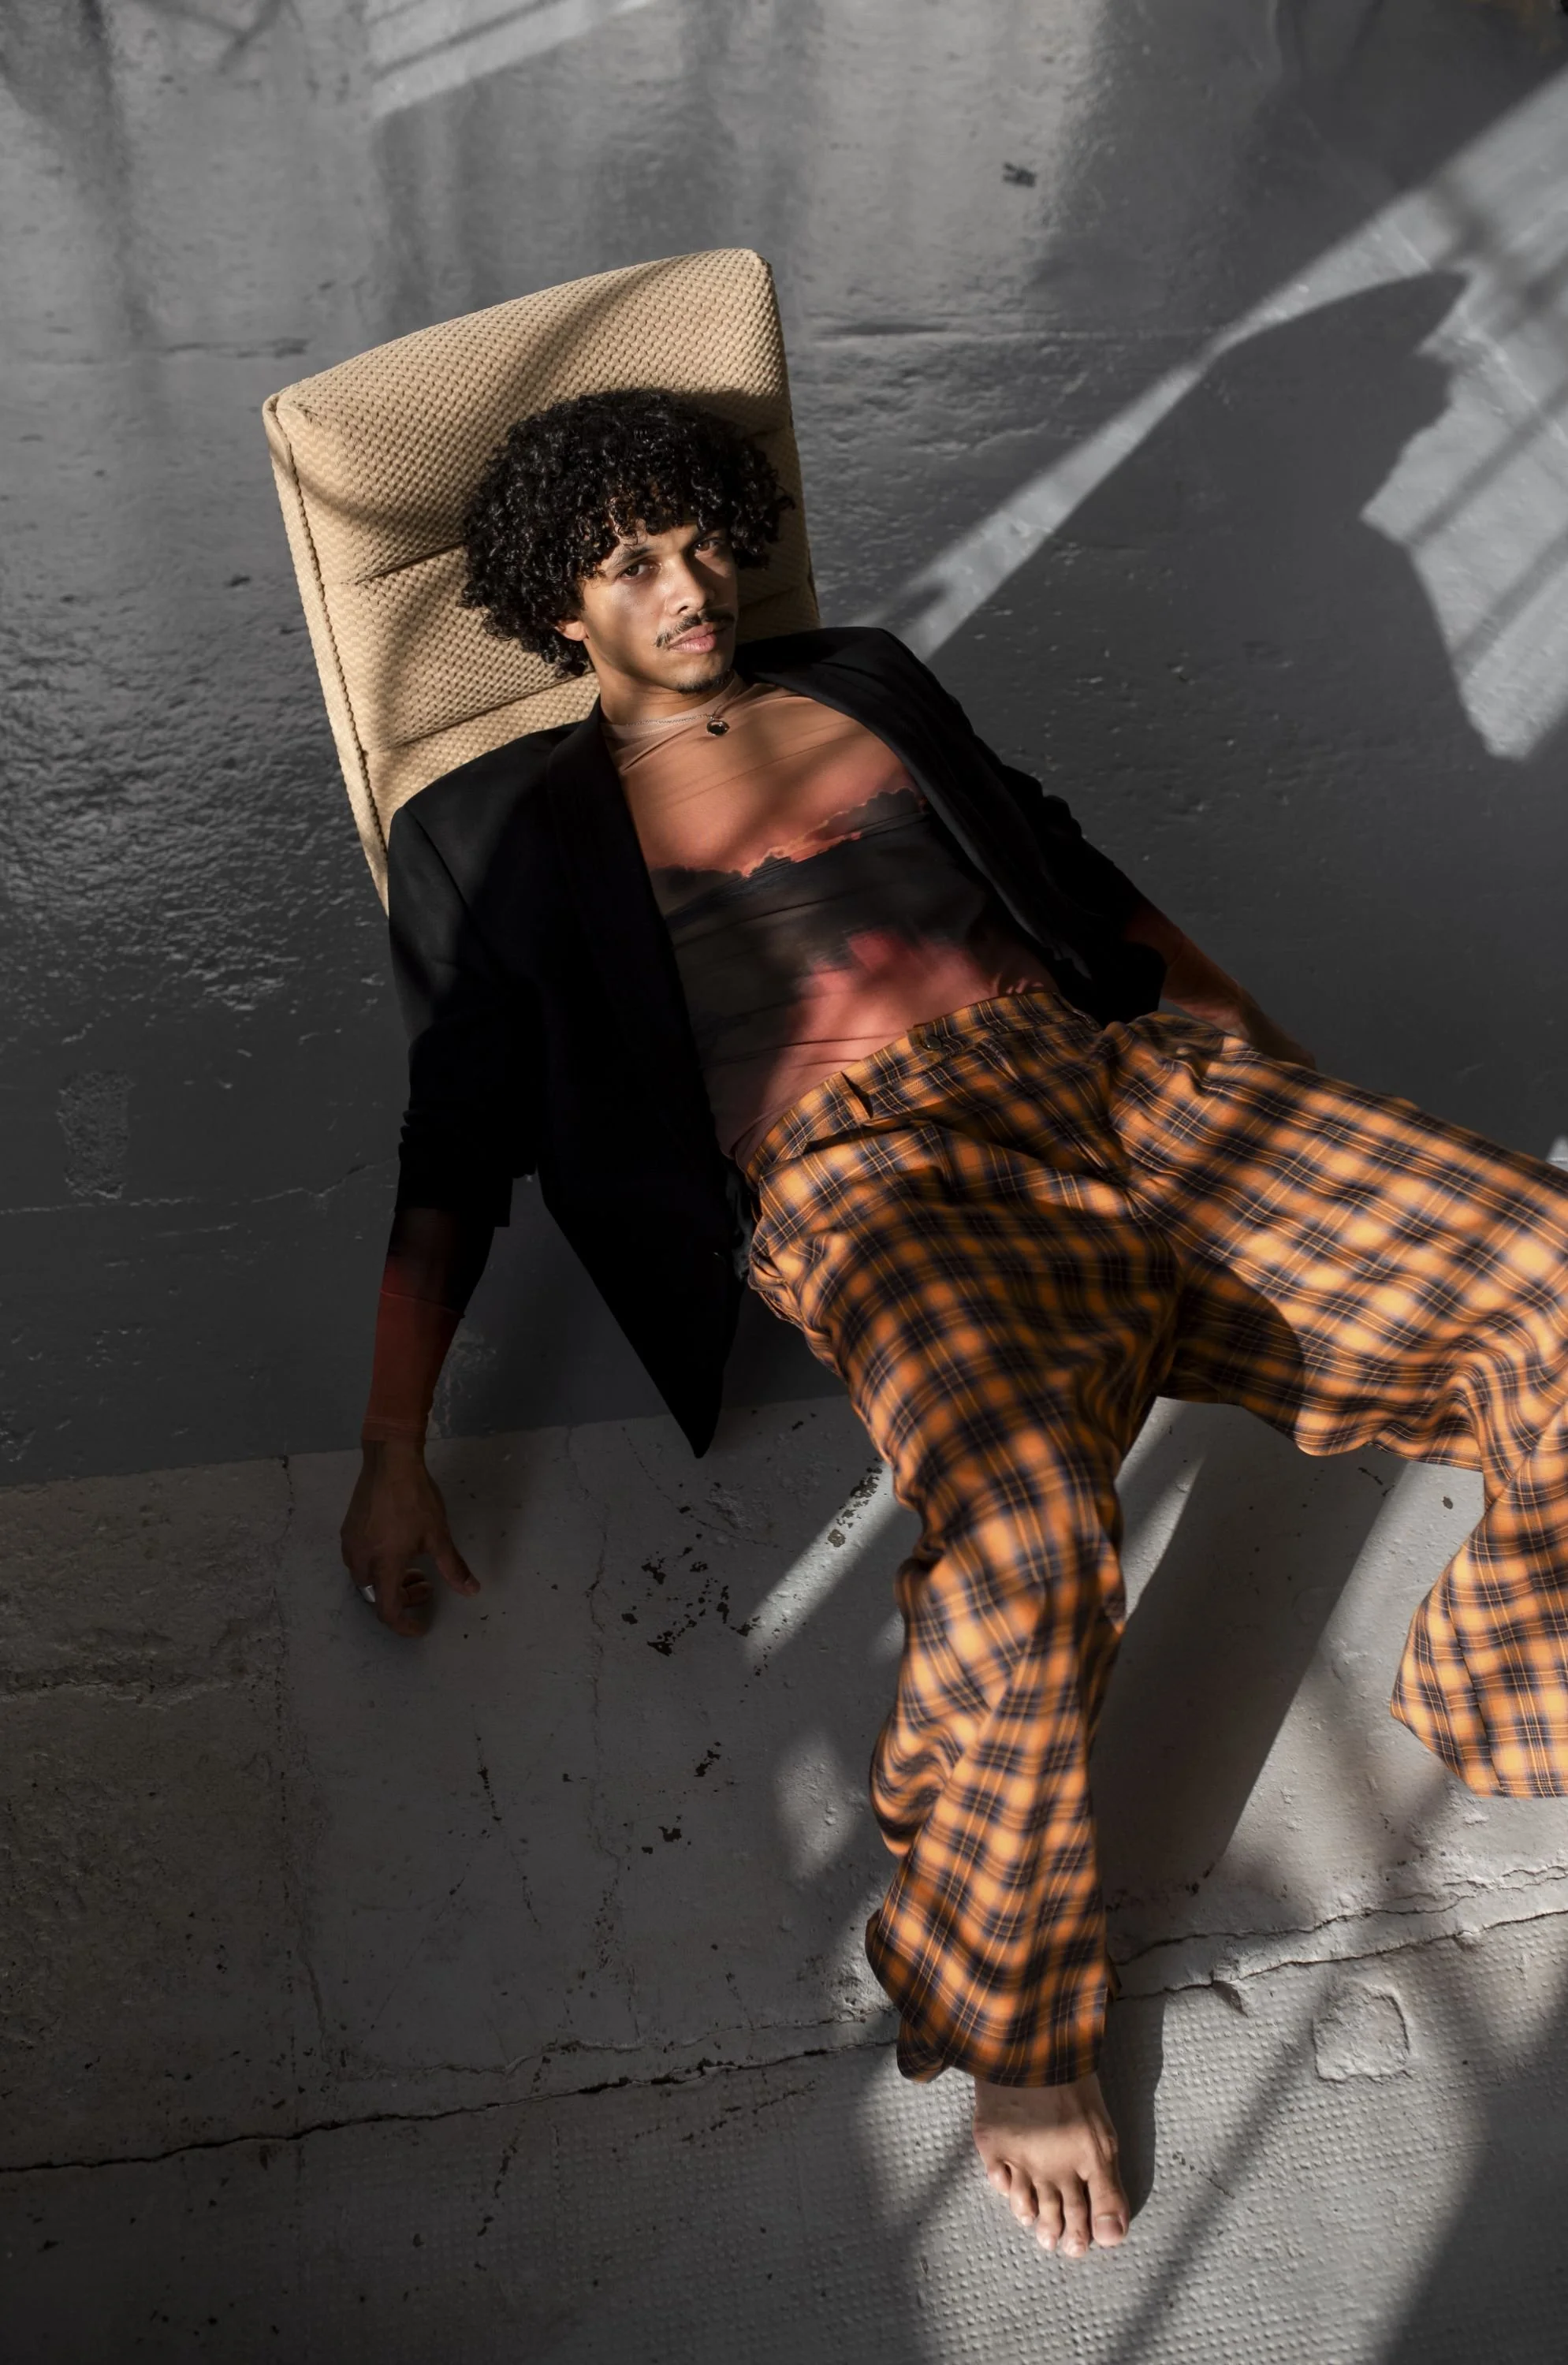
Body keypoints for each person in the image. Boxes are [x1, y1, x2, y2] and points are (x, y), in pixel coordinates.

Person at [341, 387, 1568, 2260]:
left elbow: (1073, 875)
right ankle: (1001, 2012)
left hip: (1114, 1083)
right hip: (873, 1179)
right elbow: (456, 1142)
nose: (684, 594)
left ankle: (1507, 1681)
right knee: (1022, 1547)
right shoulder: (505, 831)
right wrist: (388, 1454)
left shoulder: (865, 676)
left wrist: (1257, 1059)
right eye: (627, 567)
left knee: (1544, 1263)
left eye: (697, 543)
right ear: (553, 610)